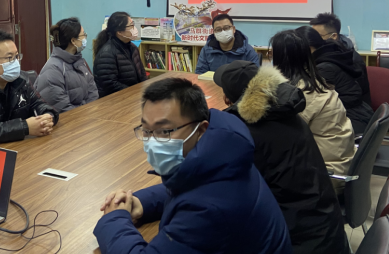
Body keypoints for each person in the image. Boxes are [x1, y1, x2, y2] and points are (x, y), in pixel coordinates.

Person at [94, 77, 292, 254]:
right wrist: (141, 203)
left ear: (201, 129)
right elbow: (188, 186)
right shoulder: (225, 150)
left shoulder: (209, 211)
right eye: (146, 130)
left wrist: (114, 219)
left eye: (164, 131)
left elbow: (200, 200)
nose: (152, 141)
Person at [215, 61, 348, 254]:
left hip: (297, 241)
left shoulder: (247, 136)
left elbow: (222, 191)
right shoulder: (286, 114)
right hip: (325, 229)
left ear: (227, 99)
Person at [270, 30, 355, 186]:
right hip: (340, 164)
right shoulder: (314, 81)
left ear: (279, 58)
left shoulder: (298, 93)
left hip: (325, 177)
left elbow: (281, 139)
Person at [296, 26, 374, 134]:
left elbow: (314, 103)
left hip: (351, 119)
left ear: (307, 48)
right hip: (358, 113)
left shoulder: (324, 68)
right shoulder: (332, 55)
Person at [34, 17, 98, 112]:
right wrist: (86, 114)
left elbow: (93, 92)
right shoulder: (52, 70)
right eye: (83, 35)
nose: (85, 38)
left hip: (87, 116)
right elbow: (62, 109)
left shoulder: (80, 62)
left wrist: (91, 112)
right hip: (71, 119)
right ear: (73, 41)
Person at [309, 12, 371, 106]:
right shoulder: (324, 54)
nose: (313, 41)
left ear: (334, 36)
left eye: (318, 36)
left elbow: (354, 95)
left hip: (352, 108)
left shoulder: (350, 58)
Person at [93, 12, 147, 97]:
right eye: (131, 26)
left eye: (133, 24)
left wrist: (144, 90)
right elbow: (110, 84)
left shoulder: (133, 47)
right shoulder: (106, 53)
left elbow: (142, 73)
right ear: (120, 32)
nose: (134, 29)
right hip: (116, 99)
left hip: (133, 95)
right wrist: (133, 93)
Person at [195, 13, 260, 74]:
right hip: (212, 82)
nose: (223, 32)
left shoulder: (248, 50)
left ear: (233, 29)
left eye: (226, 28)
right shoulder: (207, 50)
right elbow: (200, 73)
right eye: (218, 29)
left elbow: (254, 75)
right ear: (214, 32)